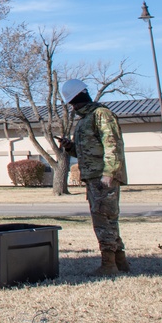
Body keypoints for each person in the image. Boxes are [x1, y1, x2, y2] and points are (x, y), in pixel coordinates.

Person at [59, 78, 128, 276]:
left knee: (103, 219)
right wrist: (70, 146)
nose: (73, 107)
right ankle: (120, 261)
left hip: (102, 176)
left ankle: (109, 265)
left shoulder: (101, 115)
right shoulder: (84, 120)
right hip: (93, 176)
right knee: (108, 219)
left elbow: (112, 145)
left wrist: (109, 173)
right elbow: (87, 152)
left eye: (73, 102)